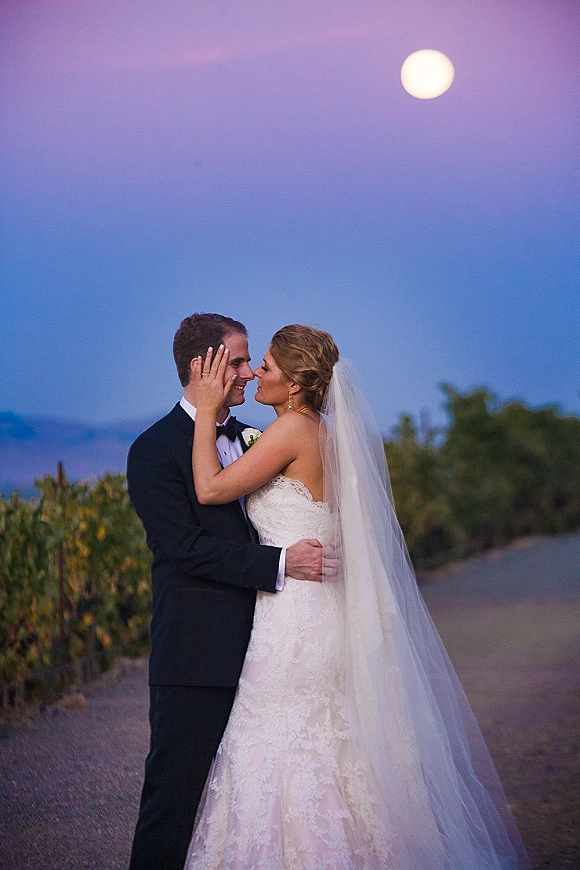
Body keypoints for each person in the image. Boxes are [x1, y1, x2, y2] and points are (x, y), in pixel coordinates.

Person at [184, 324, 531, 870]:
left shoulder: (292, 429)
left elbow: (209, 489)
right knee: (329, 742)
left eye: (266, 367)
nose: (255, 375)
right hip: (324, 611)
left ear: (294, 384)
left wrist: (206, 410)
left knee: (280, 739)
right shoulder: (327, 432)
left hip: (293, 621)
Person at [126, 314, 326, 870]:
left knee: (257, 802)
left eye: (249, 361)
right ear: (202, 367)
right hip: (199, 653)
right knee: (173, 801)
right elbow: (183, 548)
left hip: (274, 651)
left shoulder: (259, 436)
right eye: (237, 361)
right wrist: (280, 562)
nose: (249, 372)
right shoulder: (153, 449)